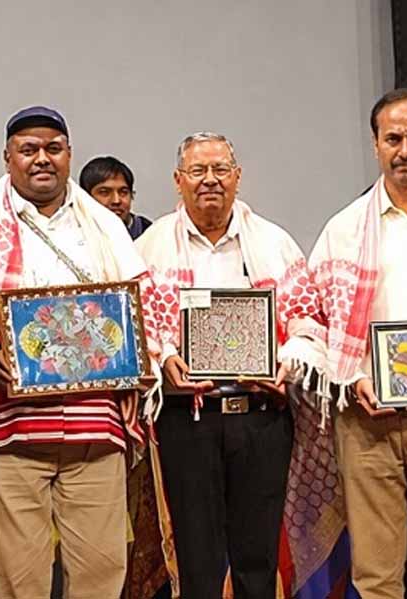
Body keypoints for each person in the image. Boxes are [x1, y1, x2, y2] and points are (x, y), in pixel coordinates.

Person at [0, 106, 154, 599]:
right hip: (10, 429)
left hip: (94, 429)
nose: (42, 159)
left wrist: (133, 365)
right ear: (8, 158)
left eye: (53, 149)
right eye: (29, 149)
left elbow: (137, 308)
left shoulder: (104, 228)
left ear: (69, 155)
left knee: (101, 576)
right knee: (17, 582)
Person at [134, 131, 328, 598]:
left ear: (238, 177)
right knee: (196, 560)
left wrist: (287, 364)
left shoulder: (273, 243)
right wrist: (165, 359)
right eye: (198, 171)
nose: (210, 180)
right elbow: (135, 326)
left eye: (220, 169)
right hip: (187, 420)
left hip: (261, 419)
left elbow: (308, 322)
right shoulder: (149, 248)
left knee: (257, 561)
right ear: (178, 180)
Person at [309, 87, 407, 597]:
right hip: (365, 415)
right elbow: (313, 320)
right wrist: (352, 376)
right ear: (376, 144)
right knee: (376, 574)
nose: (404, 150)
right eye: (393, 138)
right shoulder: (343, 229)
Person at [79, 156, 152, 239]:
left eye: (123, 192)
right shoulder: (73, 233)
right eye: (104, 192)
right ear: (85, 197)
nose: (116, 201)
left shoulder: (150, 234)